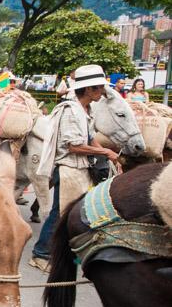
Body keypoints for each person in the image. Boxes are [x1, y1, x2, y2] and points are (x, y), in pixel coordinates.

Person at [29, 64, 120, 272]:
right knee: (60, 214)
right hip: (68, 168)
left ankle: (71, 252)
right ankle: (40, 253)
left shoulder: (85, 110)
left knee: (78, 213)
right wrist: (105, 153)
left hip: (81, 169)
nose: (102, 93)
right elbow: (73, 146)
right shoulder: (70, 111)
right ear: (88, 89)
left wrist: (110, 153)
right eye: (99, 88)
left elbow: (89, 138)